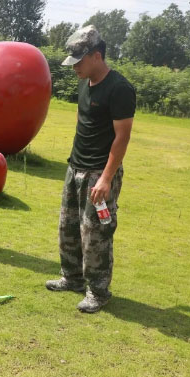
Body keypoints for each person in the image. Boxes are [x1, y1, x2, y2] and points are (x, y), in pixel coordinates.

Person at [45, 25, 136, 313]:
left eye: (79, 62)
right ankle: (71, 278)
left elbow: (122, 137)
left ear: (96, 56)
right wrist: (73, 164)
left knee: (95, 234)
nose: (75, 69)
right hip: (75, 168)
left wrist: (106, 178)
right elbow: (84, 122)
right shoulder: (84, 82)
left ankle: (98, 291)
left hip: (100, 174)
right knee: (68, 227)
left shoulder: (120, 89)